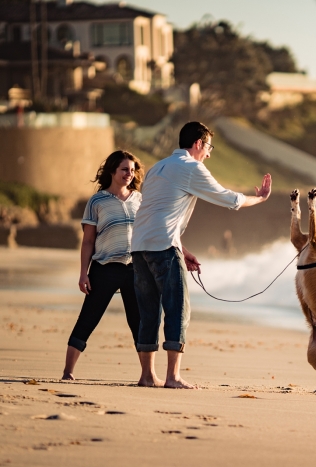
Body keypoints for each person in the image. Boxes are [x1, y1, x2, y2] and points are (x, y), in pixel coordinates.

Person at [132, 121, 272, 389]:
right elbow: (231, 200)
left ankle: (147, 376)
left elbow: (156, 215)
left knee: (149, 313)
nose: (209, 153)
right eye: (209, 147)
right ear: (198, 144)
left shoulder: (157, 168)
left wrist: (181, 250)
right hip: (162, 247)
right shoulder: (191, 167)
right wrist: (261, 199)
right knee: (178, 310)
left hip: (139, 246)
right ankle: (172, 377)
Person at [62, 150, 145, 380]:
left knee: (139, 323)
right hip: (104, 268)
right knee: (88, 318)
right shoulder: (97, 201)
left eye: (132, 170)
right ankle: (68, 372)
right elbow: (88, 240)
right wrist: (83, 273)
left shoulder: (139, 199)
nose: (129, 174)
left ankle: (147, 374)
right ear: (112, 171)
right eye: (124, 169)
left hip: (134, 269)